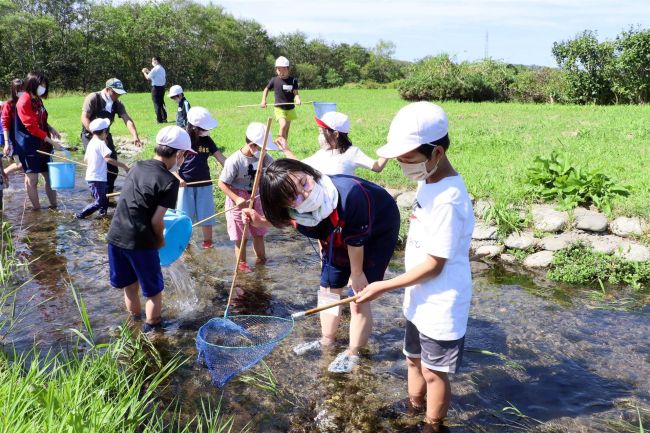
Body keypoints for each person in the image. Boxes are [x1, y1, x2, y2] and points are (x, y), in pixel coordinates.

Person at [356, 102, 475, 433]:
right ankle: (413, 408)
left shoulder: (450, 198)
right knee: (413, 358)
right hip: (419, 295)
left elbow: (436, 265)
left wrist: (383, 285)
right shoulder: (429, 181)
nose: (400, 164)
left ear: (436, 152)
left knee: (435, 372)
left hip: (442, 300)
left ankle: (432, 425)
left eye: (406, 157)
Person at [242, 159, 400, 373]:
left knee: (358, 297)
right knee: (328, 289)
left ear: (308, 172)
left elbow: (355, 243)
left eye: (304, 183)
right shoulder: (296, 210)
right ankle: (327, 340)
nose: (305, 194)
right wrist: (260, 221)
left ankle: (353, 353)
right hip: (336, 230)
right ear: (285, 205)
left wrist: (357, 274)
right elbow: (292, 221)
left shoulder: (350, 195)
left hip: (375, 229)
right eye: (294, 197)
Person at [106, 125, 194, 332]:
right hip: (140, 241)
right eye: (185, 155)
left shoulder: (137, 166)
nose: (184, 159)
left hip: (116, 236)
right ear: (179, 154)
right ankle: (153, 329)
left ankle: (134, 325)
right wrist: (160, 241)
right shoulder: (169, 182)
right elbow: (156, 221)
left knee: (130, 285)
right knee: (153, 292)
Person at [218, 122, 281, 272]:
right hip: (238, 199)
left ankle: (262, 260)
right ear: (252, 145)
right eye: (262, 148)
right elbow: (222, 183)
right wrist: (236, 198)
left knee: (259, 231)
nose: (264, 152)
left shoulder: (265, 158)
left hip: (256, 197)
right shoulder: (235, 160)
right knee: (241, 236)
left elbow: (275, 172)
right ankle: (242, 264)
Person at [173, 107, 225, 249]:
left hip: (205, 184)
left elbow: (221, 158)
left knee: (206, 215)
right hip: (186, 185)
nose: (207, 131)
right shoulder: (184, 140)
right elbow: (173, 166)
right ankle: (184, 244)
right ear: (195, 128)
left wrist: (232, 170)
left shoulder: (207, 140)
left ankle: (208, 243)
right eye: (204, 128)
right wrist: (179, 179)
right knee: (184, 217)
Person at [80, 78, 142, 194]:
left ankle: (108, 193)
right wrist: (95, 135)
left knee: (113, 166)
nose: (117, 96)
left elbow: (126, 119)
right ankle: (96, 194)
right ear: (108, 89)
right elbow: (84, 117)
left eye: (119, 94)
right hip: (90, 135)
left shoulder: (117, 103)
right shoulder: (93, 98)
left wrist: (135, 135)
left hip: (106, 135)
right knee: (96, 165)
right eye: (115, 93)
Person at [15, 71, 66, 210]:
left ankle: (53, 206)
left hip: (43, 145)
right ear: (33, 84)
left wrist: (51, 128)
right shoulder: (24, 101)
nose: (43, 87)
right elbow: (31, 127)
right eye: (41, 84)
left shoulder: (37, 99)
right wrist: (52, 142)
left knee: (50, 176)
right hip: (29, 145)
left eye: (44, 85)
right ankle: (36, 210)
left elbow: (41, 119)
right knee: (32, 179)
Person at [282, 111, 388, 176]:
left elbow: (377, 167)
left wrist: (391, 147)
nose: (319, 137)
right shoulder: (321, 154)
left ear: (336, 134)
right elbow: (300, 165)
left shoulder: (352, 152)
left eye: (321, 133)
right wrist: (286, 150)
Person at [76, 118, 130, 219]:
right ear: (105, 131)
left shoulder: (91, 142)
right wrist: (124, 166)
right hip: (97, 178)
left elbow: (86, 159)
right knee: (100, 201)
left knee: (104, 199)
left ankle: (103, 215)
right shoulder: (101, 143)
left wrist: (97, 165)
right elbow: (108, 159)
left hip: (93, 177)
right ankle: (80, 215)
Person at [261, 56, 301, 141]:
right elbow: (266, 89)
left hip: (290, 108)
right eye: (279, 70)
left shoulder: (293, 81)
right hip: (279, 108)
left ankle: (284, 147)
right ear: (276, 70)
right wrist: (263, 100)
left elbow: (296, 93)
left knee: (286, 130)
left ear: (288, 69)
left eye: (284, 70)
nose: (281, 72)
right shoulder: (274, 80)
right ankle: (279, 144)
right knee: (283, 126)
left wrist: (297, 99)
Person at [1, 79, 26, 175]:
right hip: (13, 139)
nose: (21, 92)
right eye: (18, 90)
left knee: (26, 165)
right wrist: (7, 143)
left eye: (23, 89)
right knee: (20, 164)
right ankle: (4, 173)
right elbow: (5, 125)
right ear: (13, 90)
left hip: (25, 138)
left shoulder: (27, 103)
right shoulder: (8, 105)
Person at [142, 56, 167, 123]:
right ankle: (164, 118)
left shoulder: (155, 68)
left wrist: (144, 72)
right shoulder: (162, 68)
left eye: (153, 61)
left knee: (156, 104)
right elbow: (155, 76)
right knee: (161, 103)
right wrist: (148, 71)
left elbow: (148, 77)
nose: (152, 62)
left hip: (156, 88)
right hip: (162, 88)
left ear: (156, 61)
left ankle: (159, 120)